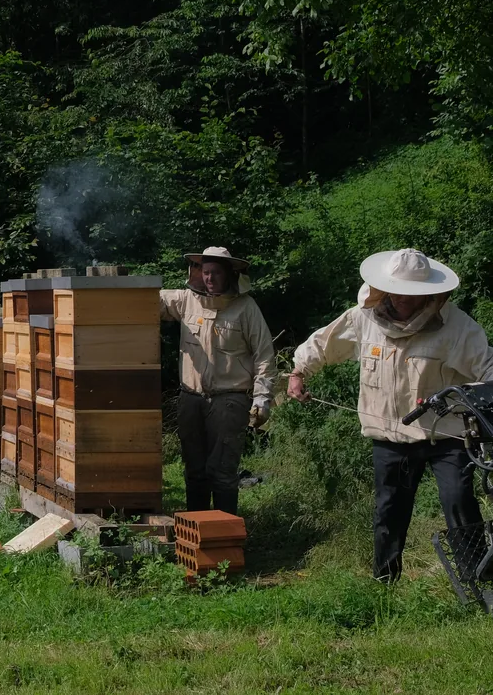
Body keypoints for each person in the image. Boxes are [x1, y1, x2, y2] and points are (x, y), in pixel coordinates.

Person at [289, 248, 493, 581]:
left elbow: (487, 367)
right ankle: (385, 582)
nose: (403, 299)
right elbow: (323, 344)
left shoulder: (456, 326)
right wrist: (299, 372)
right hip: (391, 436)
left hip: (447, 434)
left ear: (429, 293)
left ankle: (480, 580)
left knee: (458, 500)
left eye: (412, 294)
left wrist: (480, 395)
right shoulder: (363, 317)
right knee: (389, 510)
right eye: (397, 291)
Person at [161, 246, 276, 515]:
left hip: (230, 400)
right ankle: (196, 535)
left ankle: (225, 539)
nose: (209, 278)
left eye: (215, 273)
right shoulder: (186, 299)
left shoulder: (246, 308)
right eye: (205, 272)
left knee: (223, 471)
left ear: (229, 276)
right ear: (197, 273)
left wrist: (262, 399)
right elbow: (151, 301)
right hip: (191, 399)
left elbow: (264, 356)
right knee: (194, 470)